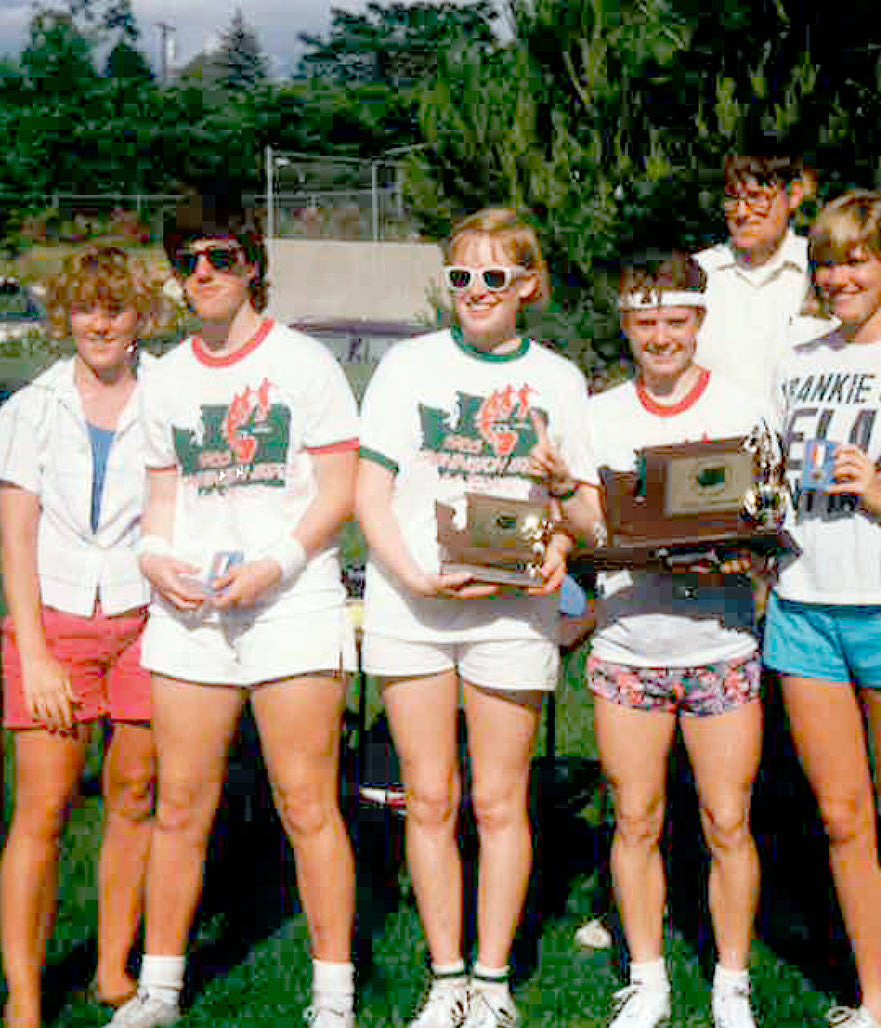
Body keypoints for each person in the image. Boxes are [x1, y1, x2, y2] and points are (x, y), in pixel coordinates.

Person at [107, 193, 360, 1028]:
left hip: (291, 605)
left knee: (306, 803)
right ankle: (162, 989)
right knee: (181, 806)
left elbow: (340, 490)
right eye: (188, 262)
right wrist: (155, 562)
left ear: (251, 263)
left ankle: (333, 997)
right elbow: (160, 499)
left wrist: (276, 564)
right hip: (193, 615)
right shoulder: (166, 379)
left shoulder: (305, 365)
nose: (204, 275)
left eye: (219, 257)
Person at [356, 208, 598, 1028]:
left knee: (499, 802)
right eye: (462, 277)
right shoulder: (407, 366)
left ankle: (492, 984)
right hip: (414, 604)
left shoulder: (560, 380)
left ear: (528, 285)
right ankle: (446, 975)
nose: (476, 292)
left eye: (495, 276)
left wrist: (562, 524)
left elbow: (587, 520)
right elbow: (369, 494)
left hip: (512, 611)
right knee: (429, 798)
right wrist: (414, 574)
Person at [545, 252, 768, 1028]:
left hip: (721, 642)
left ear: (699, 322)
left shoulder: (741, 405)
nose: (662, 337)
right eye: (646, 322)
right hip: (629, 646)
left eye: (676, 321)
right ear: (627, 325)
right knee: (634, 819)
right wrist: (559, 492)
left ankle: (731, 983)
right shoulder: (600, 413)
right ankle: (647, 979)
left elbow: (766, 521)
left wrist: (747, 548)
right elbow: (585, 530)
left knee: (726, 822)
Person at [0, 244, 161, 1028]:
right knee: (45, 806)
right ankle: (25, 997)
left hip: (149, 623)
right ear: (67, 318)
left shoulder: (169, 399)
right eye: (86, 309)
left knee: (136, 794)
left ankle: (115, 971)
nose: (100, 323)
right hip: (53, 625)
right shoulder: (30, 408)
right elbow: (15, 542)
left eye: (115, 309)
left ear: (139, 319)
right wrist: (39, 656)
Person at [766, 191, 881, 1028]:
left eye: (858, 259)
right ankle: (873, 999)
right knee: (843, 819)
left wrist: (879, 497)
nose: (839, 278)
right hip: (802, 608)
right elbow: (767, 477)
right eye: (827, 262)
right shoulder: (794, 358)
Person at [695, 154, 823, 397]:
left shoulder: (823, 271)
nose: (742, 212)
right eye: (733, 199)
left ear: (794, 196)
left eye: (756, 198)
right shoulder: (697, 276)